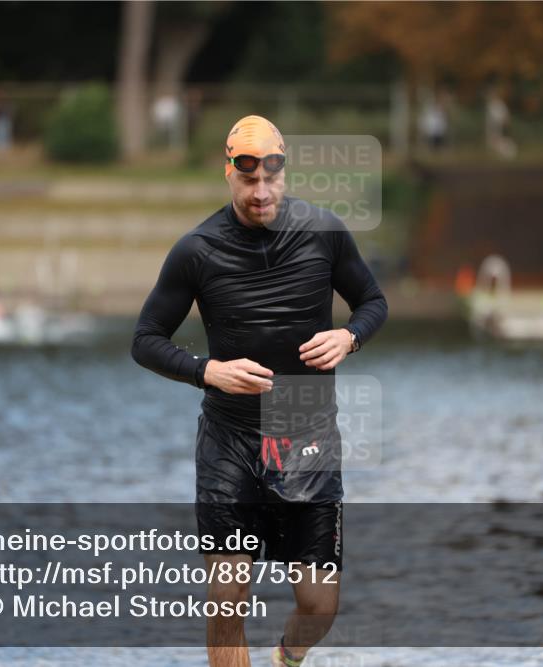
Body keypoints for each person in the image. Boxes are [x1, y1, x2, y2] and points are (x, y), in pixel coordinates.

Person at [131, 115, 388, 667]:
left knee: (319, 605)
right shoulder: (196, 250)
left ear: (284, 170)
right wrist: (206, 370)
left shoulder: (324, 232)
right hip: (231, 438)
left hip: (307, 435)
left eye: (271, 178)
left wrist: (350, 336)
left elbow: (373, 302)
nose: (261, 192)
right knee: (226, 599)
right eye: (248, 180)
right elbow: (145, 340)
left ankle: (287, 656)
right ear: (228, 173)